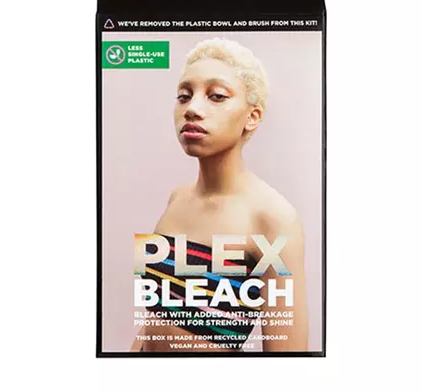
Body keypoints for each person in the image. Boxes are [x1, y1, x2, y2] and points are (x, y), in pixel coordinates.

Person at [131, 38, 308, 352]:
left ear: (252, 116)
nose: (192, 109)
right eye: (184, 96)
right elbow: (152, 323)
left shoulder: (272, 219)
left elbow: (288, 360)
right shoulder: (177, 199)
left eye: (216, 96)